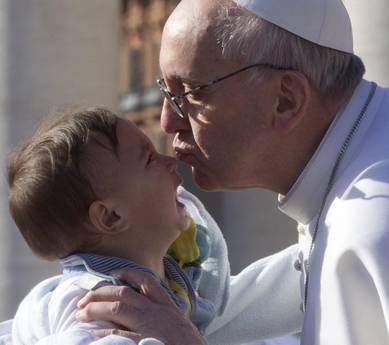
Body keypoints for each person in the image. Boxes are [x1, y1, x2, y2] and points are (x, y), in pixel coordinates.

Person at [75, 0, 389, 344]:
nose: (167, 122)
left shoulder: (374, 220)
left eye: (190, 94)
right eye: (165, 91)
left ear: (285, 100)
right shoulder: (352, 179)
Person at [6, 107, 222, 344]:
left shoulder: (170, 279)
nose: (171, 161)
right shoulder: (98, 306)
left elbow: (223, 300)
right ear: (111, 217)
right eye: (150, 159)